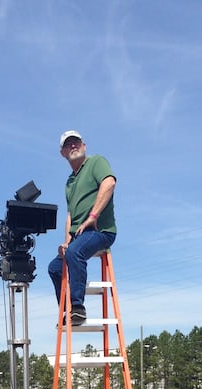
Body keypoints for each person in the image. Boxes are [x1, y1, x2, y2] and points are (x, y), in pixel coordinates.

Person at [48, 130, 117, 325]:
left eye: (76, 142)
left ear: (84, 145)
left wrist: (93, 216)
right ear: (62, 153)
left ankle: (77, 308)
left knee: (74, 253)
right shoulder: (69, 182)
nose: (73, 146)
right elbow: (70, 214)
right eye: (68, 144)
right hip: (79, 235)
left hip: (100, 230)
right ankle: (67, 309)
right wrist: (66, 241)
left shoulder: (96, 162)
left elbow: (109, 183)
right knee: (54, 267)